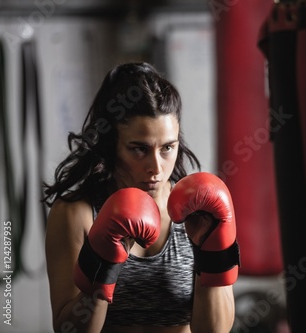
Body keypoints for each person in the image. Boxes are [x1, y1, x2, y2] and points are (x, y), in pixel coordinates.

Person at [43, 62, 239, 333]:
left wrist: (209, 252)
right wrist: (102, 265)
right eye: (139, 149)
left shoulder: (200, 211)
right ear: (111, 144)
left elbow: (214, 331)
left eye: (167, 148)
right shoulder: (78, 213)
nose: (156, 168)